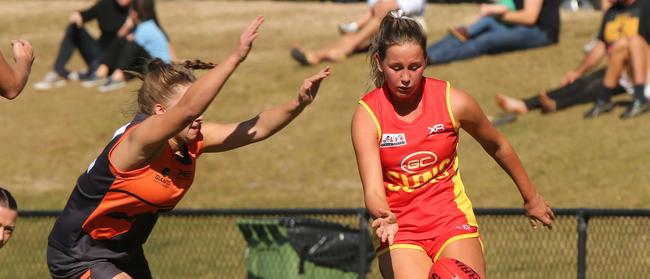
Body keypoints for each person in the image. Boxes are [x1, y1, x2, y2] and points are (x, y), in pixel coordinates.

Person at [47, 16, 331, 279]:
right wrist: (234, 58)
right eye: (189, 111)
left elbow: (255, 130)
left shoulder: (192, 140)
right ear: (160, 111)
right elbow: (188, 110)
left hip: (123, 254)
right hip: (79, 252)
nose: (199, 116)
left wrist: (298, 103)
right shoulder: (140, 142)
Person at [351, 10, 554, 278]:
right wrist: (382, 214)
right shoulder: (368, 116)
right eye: (396, 67)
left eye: (415, 67)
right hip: (399, 229)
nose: (405, 78)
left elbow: (498, 145)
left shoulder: (453, 101)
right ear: (379, 62)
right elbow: (374, 190)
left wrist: (532, 197)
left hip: (451, 221)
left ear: (426, 60)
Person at [564, 0, 650, 118]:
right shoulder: (612, 12)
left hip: (646, 68)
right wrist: (578, 71)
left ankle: (641, 98)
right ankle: (604, 99)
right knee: (621, 44)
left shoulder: (646, 5)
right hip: (629, 73)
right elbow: (601, 46)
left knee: (634, 40)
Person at [33, 0, 132, 91]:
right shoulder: (106, 4)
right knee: (73, 27)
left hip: (119, 62)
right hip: (98, 56)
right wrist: (78, 17)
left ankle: (101, 73)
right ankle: (58, 72)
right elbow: (83, 15)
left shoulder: (138, 10)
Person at [291, 0, 426, 66]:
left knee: (385, 15)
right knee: (358, 32)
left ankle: (328, 52)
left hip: (409, 26)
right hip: (383, 23)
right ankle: (320, 53)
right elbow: (374, 7)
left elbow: (403, 7)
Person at [426, 0, 561, 65]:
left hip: (541, 33)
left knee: (486, 40)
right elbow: (511, 6)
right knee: (480, 25)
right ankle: (423, 54)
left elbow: (530, 17)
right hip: (522, 26)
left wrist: (497, 15)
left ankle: (434, 58)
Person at [83, 0, 171, 92]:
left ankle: (118, 75)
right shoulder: (145, 26)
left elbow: (129, 44)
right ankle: (104, 70)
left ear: (135, 13)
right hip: (153, 63)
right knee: (125, 40)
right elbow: (120, 37)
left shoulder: (145, 28)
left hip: (159, 67)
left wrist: (127, 25)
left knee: (131, 44)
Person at [447, 0, 517, 43]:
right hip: (501, 22)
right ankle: (467, 29)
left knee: (486, 21)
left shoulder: (509, 1)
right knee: (484, 20)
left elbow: (505, 8)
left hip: (504, 25)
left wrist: (489, 8)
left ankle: (467, 32)